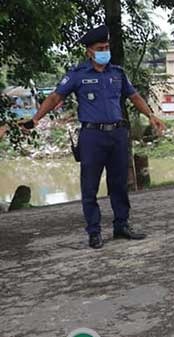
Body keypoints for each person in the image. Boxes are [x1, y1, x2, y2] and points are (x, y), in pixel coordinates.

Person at [23, 25, 166, 249]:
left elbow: (134, 96)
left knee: (119, 184)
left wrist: (151, 116)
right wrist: (35, 119)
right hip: (92, 136)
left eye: (107, 47)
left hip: (118, 135)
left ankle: (121, 225)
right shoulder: (78, 74)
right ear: (89, 51)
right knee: (89, 187)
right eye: (100, 48)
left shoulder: (117, 73)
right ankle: (94, 232)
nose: (105, 51)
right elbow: (54, 98)